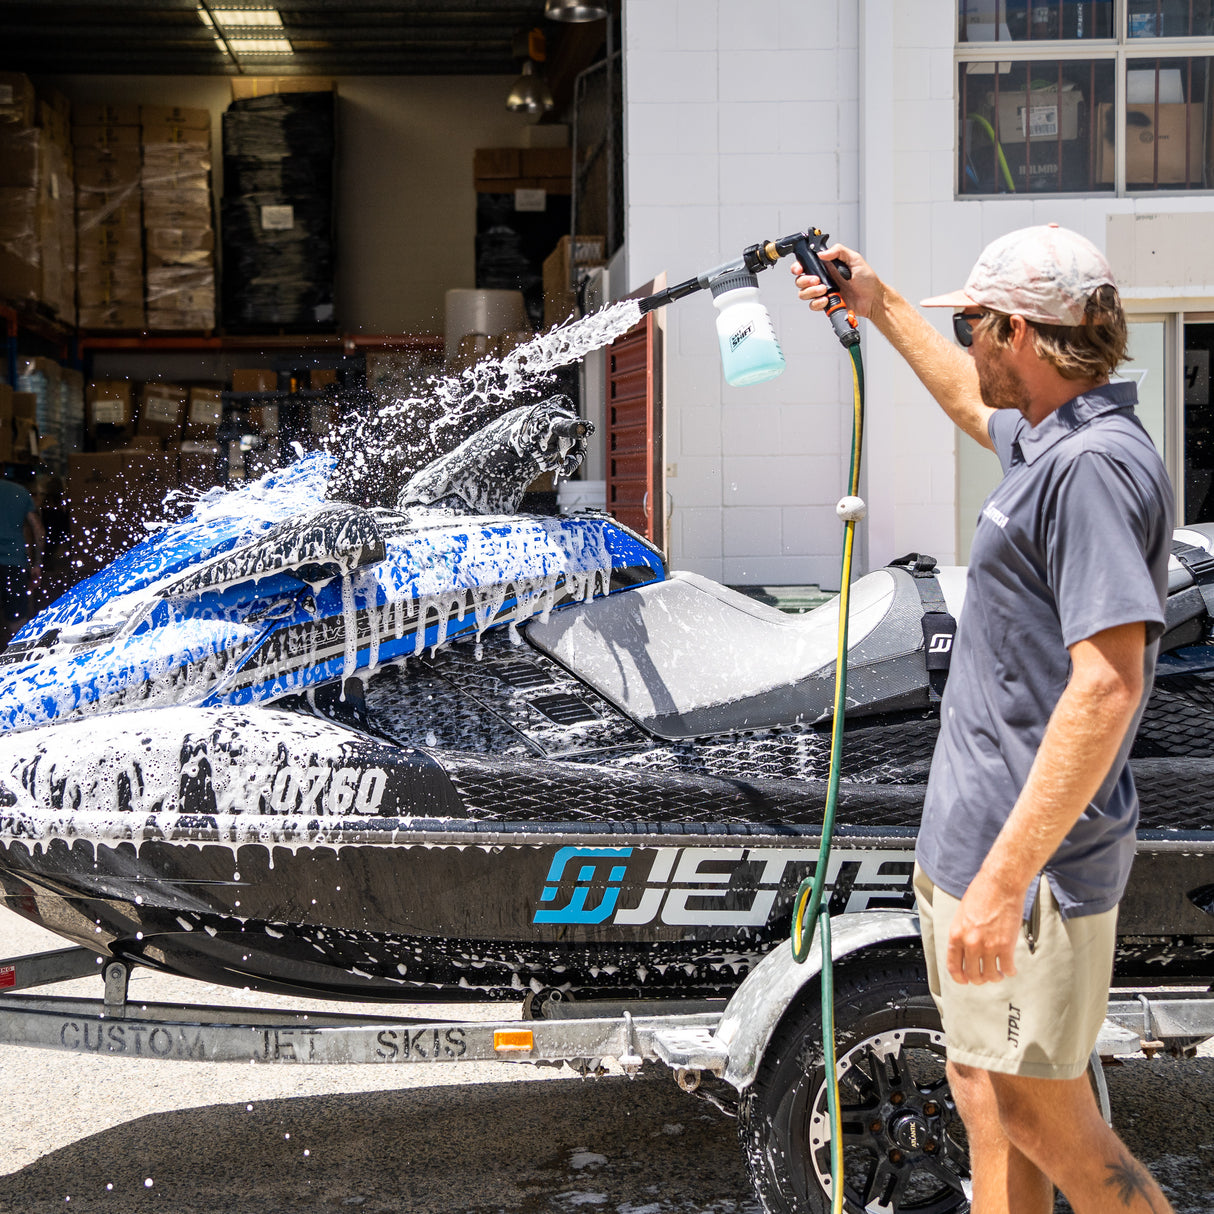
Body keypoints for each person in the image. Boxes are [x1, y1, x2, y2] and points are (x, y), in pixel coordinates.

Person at [793, 224, 1176, 1214]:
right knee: (986, 1091)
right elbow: (971, 405)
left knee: (1046, 1114)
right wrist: (876, 308)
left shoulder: (1090, 465)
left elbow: (1106, 683)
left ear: (1017, 329)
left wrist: (1001, 882)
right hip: (980, 848)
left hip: (1029, 868)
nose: (962, 339)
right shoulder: (1050, 433)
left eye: (969, 322)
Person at [0, 473, 44, 647]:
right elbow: (39, 532)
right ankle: (19, 663)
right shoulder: (20, 492)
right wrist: (37, 565)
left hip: (14, 562)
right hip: (14, 563)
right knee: (18, 621)